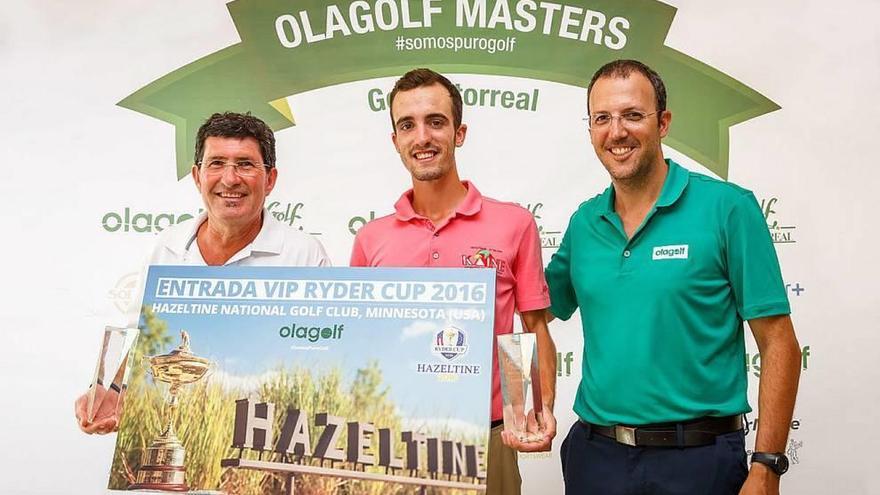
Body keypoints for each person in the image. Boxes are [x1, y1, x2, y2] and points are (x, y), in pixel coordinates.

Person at [545, 59, 801, 495]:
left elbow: (780, 343)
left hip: (699, 463)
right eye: (601, 118)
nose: (616, 131)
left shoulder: (729, 209)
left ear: (663, 123)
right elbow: (536, 306)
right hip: (596, 459)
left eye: (632, 115)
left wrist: (766, 466)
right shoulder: (584, 222)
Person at [349, 68, 557, 495]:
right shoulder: (371, 239)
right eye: (407, 125)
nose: (421, 136)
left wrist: (541, 410)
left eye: (435, 122)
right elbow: (357, 344)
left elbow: (534, 328)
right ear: (395, 141)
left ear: (459, 133)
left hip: (490, 437)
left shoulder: (514, 223)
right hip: (393, 441)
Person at [75, 112, 330, 434]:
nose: (230, 178)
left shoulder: (303, 254)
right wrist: (109, 391)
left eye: (246, 164)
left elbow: (319, 358)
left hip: (263, 436)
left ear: (270, 179)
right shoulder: (167, 246)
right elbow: (137, 335)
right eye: (216, 163)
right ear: (197, 176)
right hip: (171, 431)